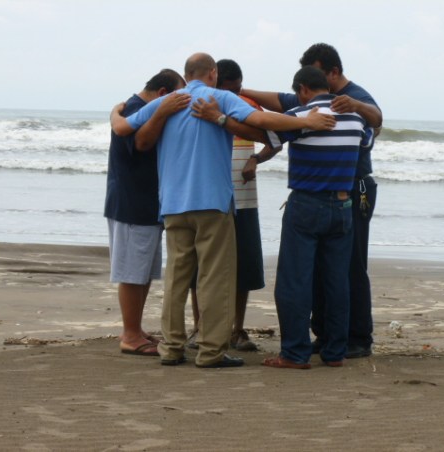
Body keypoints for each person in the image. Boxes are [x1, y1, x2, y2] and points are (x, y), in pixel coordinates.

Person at [114, 52, 336, 368]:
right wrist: (305, 122)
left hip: (174, 204)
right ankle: (210, 351)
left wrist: (114, 112)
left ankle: (172, 347)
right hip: (212, 202)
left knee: (177, 278)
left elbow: (124, 128)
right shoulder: (219, 98)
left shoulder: (168, 102)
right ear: (213, 73)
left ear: (186, 74)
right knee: (215, 278)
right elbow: (259, 120)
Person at [242, 43, 382, 359]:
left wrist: (225, 117)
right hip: (343, 199)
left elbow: (270, 130)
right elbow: (281, 100)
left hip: (340, 193)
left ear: (330, 74)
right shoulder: (347, 114)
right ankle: (334, 346)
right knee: (334, 276)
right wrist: (240, 89)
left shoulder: (344, 102)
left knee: (323, 273)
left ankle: (339, 342)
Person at [104, 69, 189, 357]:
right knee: (131, 271)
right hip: (132, 203)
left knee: (143, 271)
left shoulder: (132, 109)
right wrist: (162, 113)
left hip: (146, 203)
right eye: (178, 97)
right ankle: (130, 334)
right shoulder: (134, 110)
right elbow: (140, 142)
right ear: (164, 94)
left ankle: (135, 329)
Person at [187, 59, 270, 352]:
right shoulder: (200, 104)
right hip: (211, 195)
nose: (235, 95)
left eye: (238, 89)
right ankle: (199, 328)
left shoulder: (246, 104)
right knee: (202, 265)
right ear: (216, 82)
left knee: (243, 264)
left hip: (244, 196)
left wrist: (255, 159)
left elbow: (273, 140)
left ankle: (237, 329)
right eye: (231, 90)